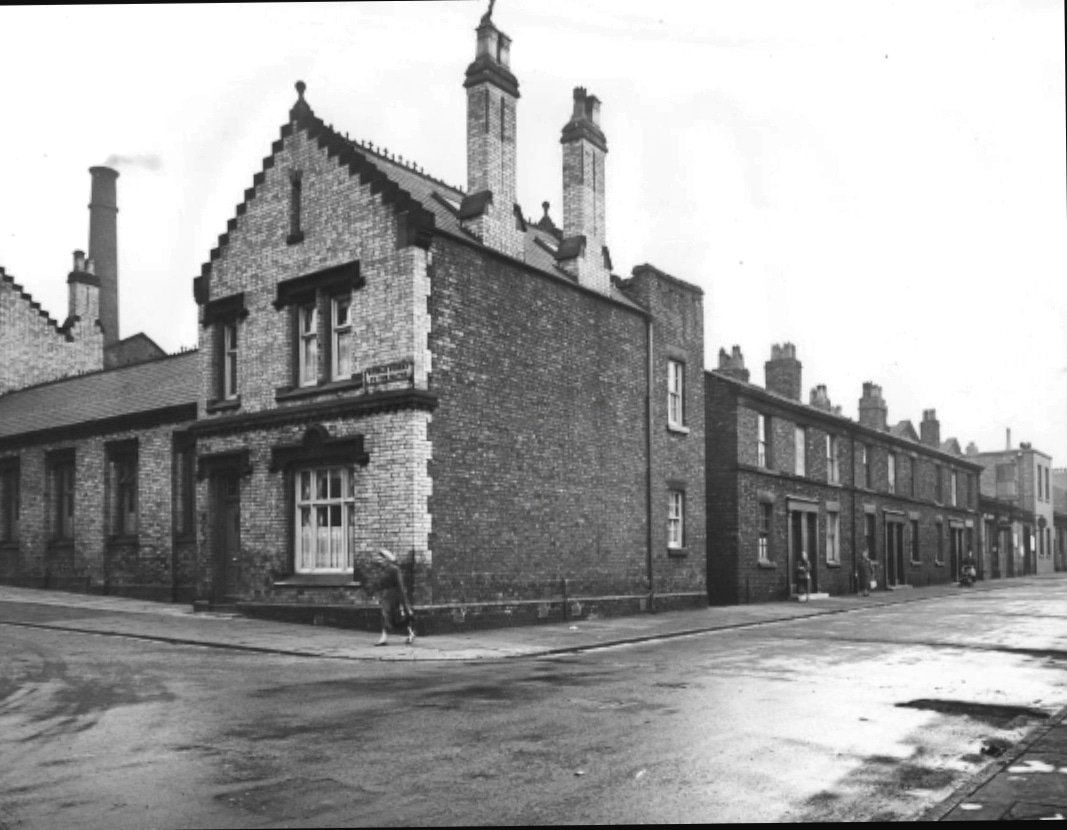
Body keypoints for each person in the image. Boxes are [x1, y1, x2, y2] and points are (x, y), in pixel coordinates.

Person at [368, 548, 415, 646]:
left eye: (381, 558)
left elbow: (400, 585)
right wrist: (375, 594)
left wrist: (404, 601)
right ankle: (383, 638)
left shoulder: (394, 569)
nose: (379, 560)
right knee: (386, 616)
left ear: (386, 559)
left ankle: (410, 633)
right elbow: (379, 584)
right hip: (386, 596)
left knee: (398, 618)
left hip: (395, 596)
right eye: (378, 559)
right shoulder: (381, 570)